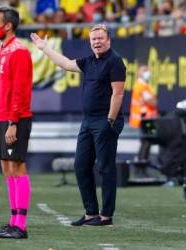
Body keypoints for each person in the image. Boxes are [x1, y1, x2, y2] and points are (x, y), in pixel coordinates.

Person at [31, 23, 126, 226]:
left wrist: (110, 120)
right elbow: (65, 64)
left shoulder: (115, 61)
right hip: (88, 121)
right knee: (81, 166)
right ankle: (91, 213)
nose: (97, 42)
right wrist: (45, 49)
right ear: (90, 42)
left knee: (106, 168)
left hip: (105, 120)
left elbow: (118, 93)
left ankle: (106, 215)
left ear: (108, 40)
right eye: (94, 39)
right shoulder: (90, 61)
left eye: (100, 38)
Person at [0, 6, 33, 239]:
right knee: (7, 168)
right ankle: (13, 220)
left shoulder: (19, 51)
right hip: (2, 117)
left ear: (8, 25)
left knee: (17, 167)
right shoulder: (2, 50)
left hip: (15, 118)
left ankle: (21, 225)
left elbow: (20, 90)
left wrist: (13, 122)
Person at [129, 65, 157, 162]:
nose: (147, 72)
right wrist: (154, 101)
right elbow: (152, 101)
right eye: (144, 70)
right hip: (145, 118)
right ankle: (141, 163)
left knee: (147, 140)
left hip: (146, 118)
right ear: (139, 73)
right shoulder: (141, 86)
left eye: (147, 70)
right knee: (147, 140)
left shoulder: (143, 85)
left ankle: (142, 163)